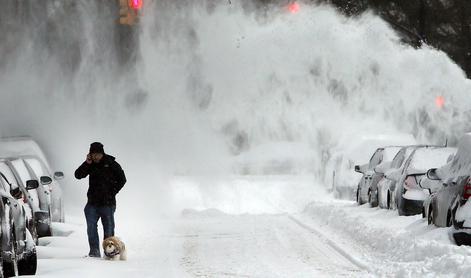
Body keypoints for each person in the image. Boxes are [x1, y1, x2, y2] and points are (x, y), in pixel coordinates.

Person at [75, 142, 127, 257]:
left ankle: (110, 253)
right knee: (91, 228)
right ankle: (94, 252)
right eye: (93, 154)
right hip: (92, 203)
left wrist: (113, 191)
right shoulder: (90, 164)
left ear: (102, 153)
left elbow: (122, 179)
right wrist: (86, 163)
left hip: (108, 204)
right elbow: (78, 175)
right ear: (90, 154)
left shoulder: (111, 163)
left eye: (98, 154)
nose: (96, 157)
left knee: (108, 230)